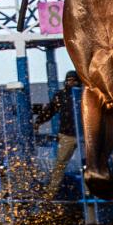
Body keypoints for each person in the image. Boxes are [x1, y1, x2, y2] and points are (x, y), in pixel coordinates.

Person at [34, 70, 81, 199]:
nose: (71, 83)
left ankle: (90, 192)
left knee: (88, 163)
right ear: (65, 82)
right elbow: (50, 110)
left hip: (84, 135)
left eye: (74, 80)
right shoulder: (61, 96)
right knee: (60, 164)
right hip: (67, 135)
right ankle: (50, 193)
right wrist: (38, 121)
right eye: (69, 80)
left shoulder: (85, 94)